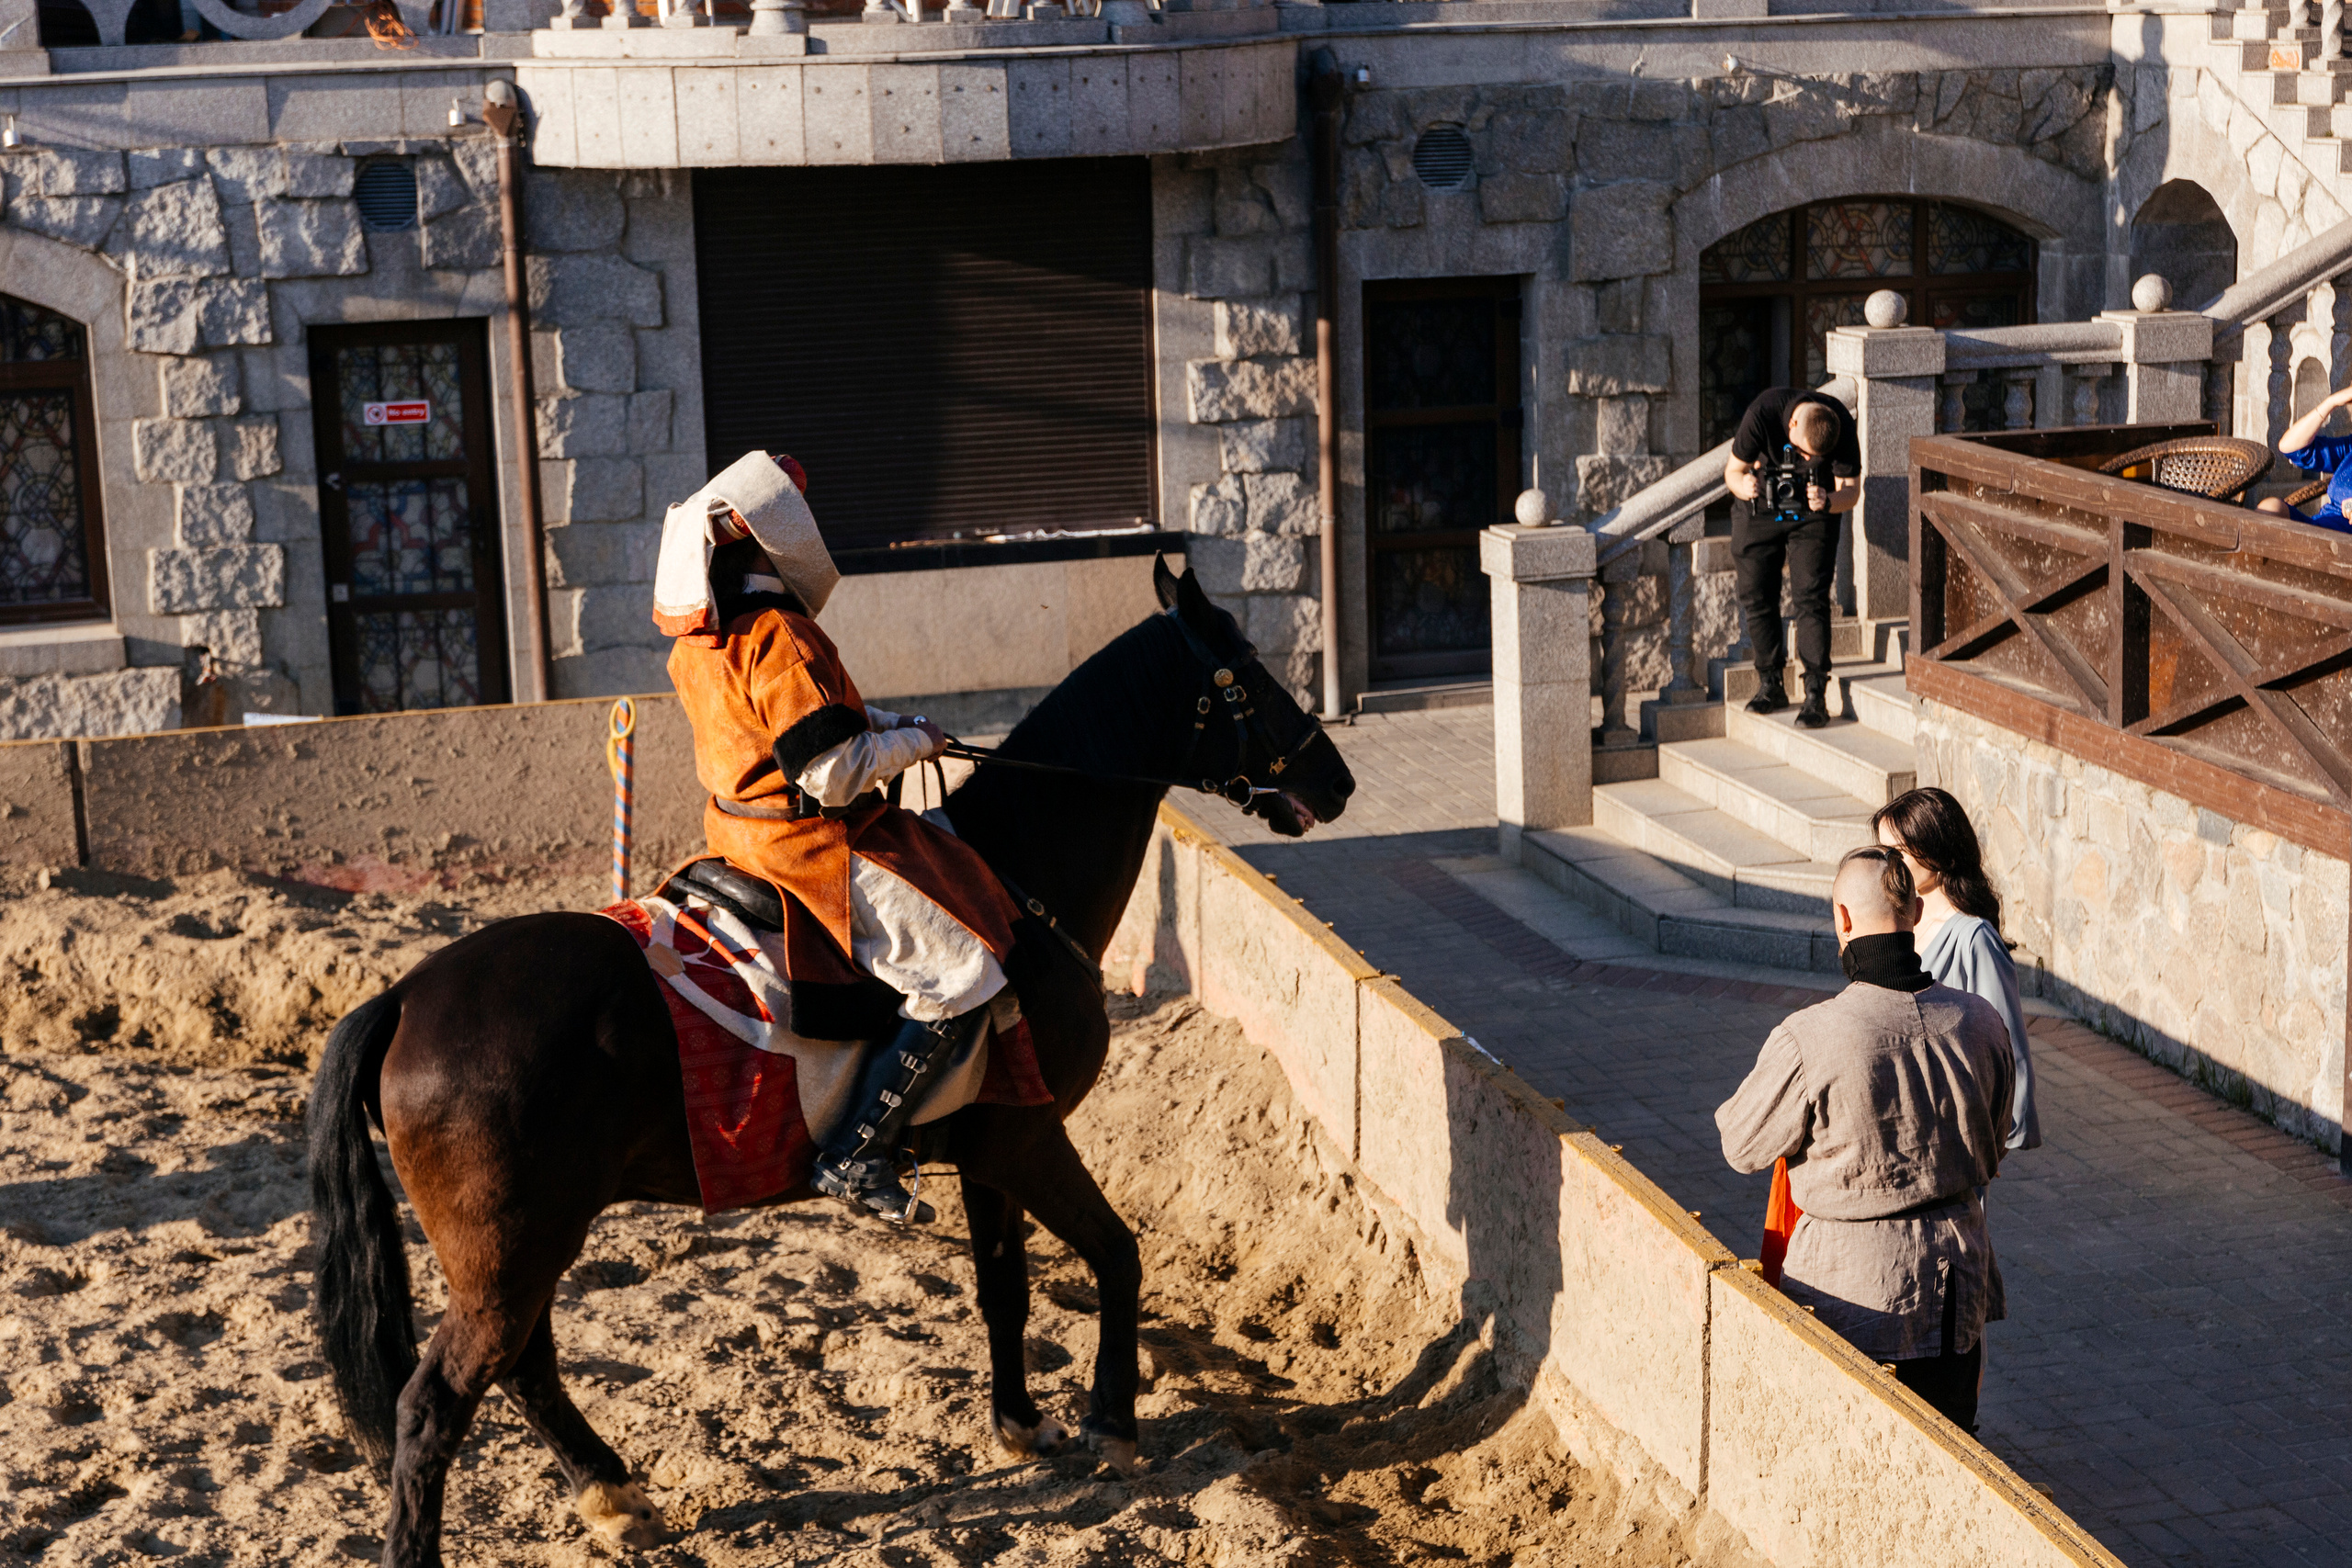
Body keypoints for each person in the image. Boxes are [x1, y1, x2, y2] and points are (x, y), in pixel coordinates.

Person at [655, 450, 1023, 1224]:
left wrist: (897, 724)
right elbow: (829, 773)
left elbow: (789, 732)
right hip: (806, 847)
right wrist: (916, 746)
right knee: (963, 972)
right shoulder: (779, 633)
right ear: (767, 538)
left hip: (735, 837)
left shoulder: (699, 642)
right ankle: (858, 1149)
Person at [1716, 846, 2015, 1432]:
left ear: (1844, 920)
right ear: (1912, 916)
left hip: (1851, 1297)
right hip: (1959, 1285)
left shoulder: (1810, 1036)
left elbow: (1741, 1144)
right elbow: (1997, 1140)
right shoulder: (1980, 1021)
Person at [1872, 786, 2040, 1152]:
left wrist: (1998, 1142)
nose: (1888, 863)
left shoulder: (1973, 937)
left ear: (1937, 849)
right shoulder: (1896, 925)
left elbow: (2006, 1044)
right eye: (1883, 852)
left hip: (1956, 1141)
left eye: (1897, 852)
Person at [1723, 388, 1863, 730]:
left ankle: (1816, 692)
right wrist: (1747, 487)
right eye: (1799, 451)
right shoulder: (1762, 412)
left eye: (1811, 457)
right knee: (1756, 594)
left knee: (1811, 597)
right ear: (1793, 422)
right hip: (1760, 505)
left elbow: (1852, 492)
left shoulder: (1839, 424)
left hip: (1816, 510)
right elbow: (1732, 473)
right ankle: (1770, 683)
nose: (1802, 459)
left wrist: (1829, 499)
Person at [2256, 381, 2352, 534]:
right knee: (2271, 507)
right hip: (2320, 530)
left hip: (2342, 545)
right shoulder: (2349, 447)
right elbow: (2290, 447)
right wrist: (2331, 402)